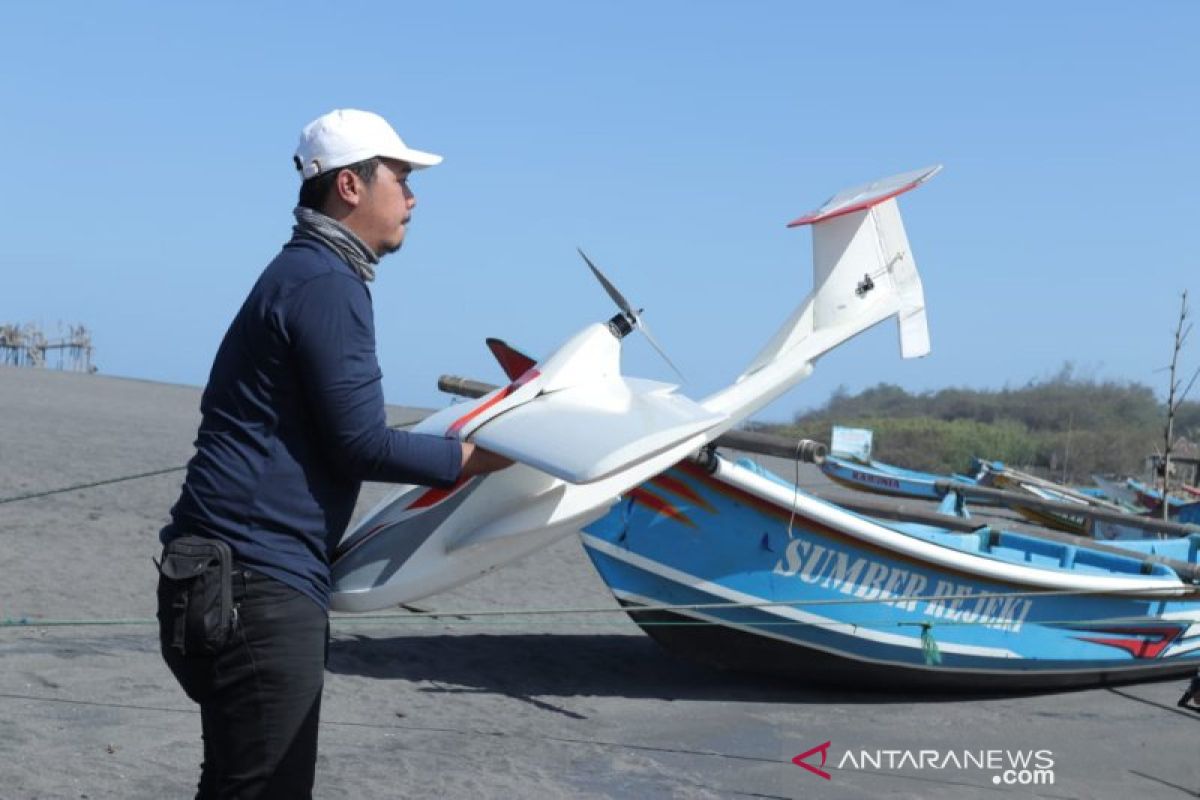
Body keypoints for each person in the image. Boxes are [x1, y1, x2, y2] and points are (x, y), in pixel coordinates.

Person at [157, 108, 510, 799]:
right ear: (351, 185)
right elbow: (360, 443)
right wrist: (475, 458)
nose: (412, 198)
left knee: (234, 783)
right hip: (253, 585)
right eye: (401, 178)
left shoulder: (303, 272)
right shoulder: (326, 283)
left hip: (217, 574)